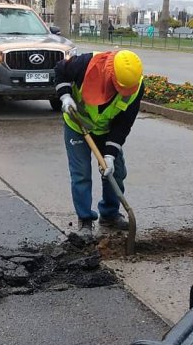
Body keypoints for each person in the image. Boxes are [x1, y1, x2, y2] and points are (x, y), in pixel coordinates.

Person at [55, 50, 144, 236]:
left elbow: (123, 124)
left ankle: (110, 215)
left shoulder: (136, 86)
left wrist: (110, 155)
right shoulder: (85, 63)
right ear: (109, 73)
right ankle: (85, 220)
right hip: (77, 124)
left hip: (107, 130)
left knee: (116, 172)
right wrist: (65, 95)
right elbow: (61, 69)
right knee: (81, 174)